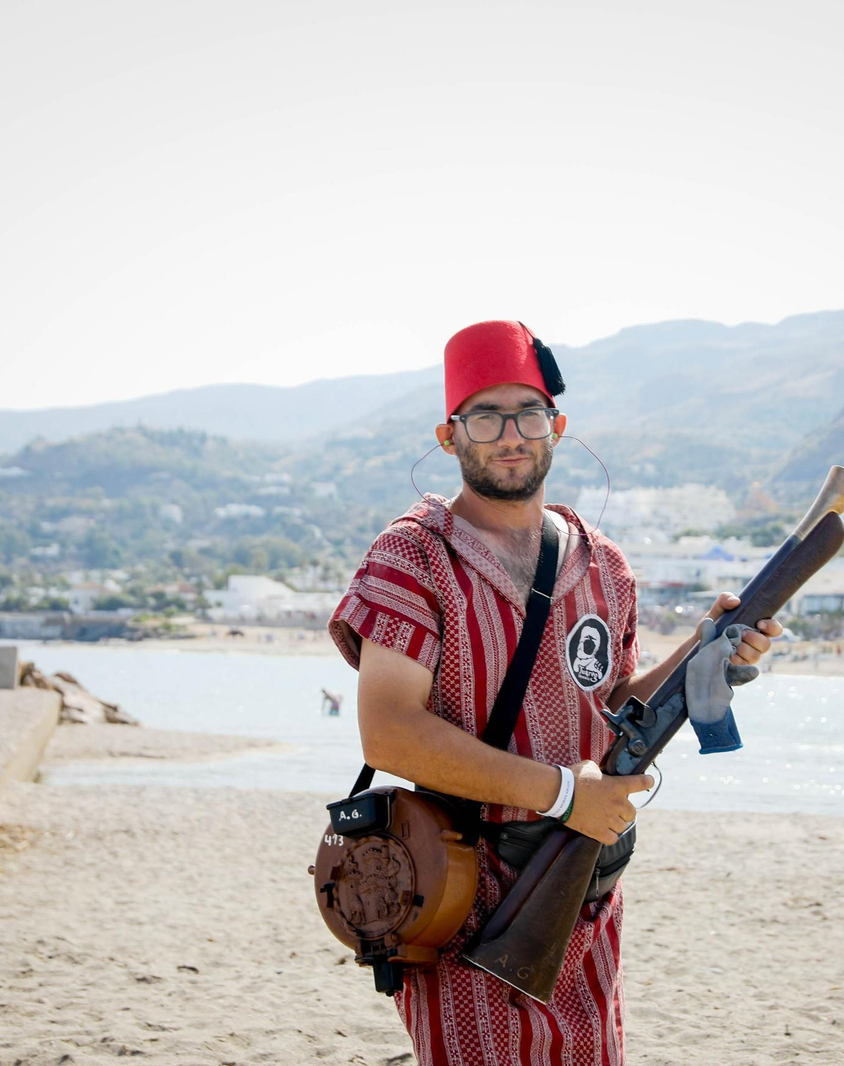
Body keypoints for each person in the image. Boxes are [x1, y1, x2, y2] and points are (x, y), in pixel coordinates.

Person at [327, 320, 780, 1065]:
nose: (511, 434)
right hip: (462, 891)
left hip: (585, 891)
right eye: (485, 416)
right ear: (449, 437)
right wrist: (566, 794)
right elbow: (390, 733)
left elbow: (612, 706)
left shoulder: (605, 566)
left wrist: (708, 653)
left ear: (558, 428)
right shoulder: (412, 554)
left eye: (528, 413)